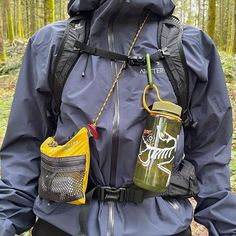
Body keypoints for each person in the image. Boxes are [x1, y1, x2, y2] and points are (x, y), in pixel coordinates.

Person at [0, 0, 236, 235]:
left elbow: (211, 157)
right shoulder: (52, 43)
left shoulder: (190, 47)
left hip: (161, 226)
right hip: (63, 225)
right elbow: (24, 149)